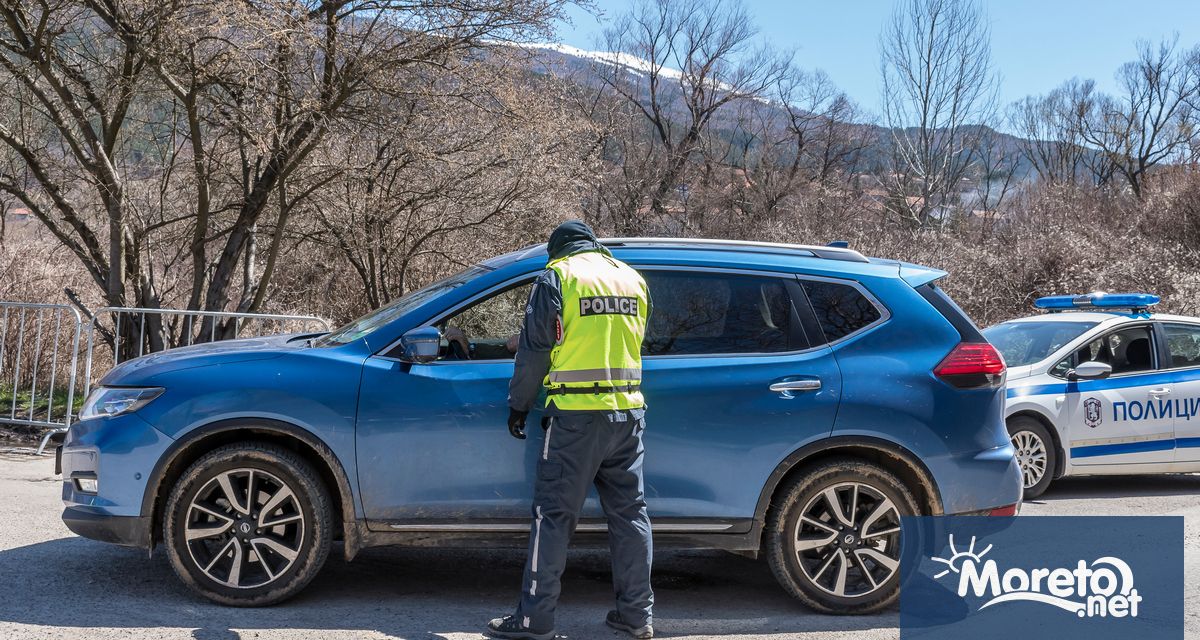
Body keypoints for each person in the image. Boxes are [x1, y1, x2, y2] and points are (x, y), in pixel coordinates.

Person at [487, 220, 655, 640]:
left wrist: (518, 405)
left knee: (553, 517)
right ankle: (637, 618)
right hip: (628, 414)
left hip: (576, 416)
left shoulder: (558, 276)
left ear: (557, 250)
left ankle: (534, 620)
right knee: (631, 516)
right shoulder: (631, 278)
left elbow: (535, 350)